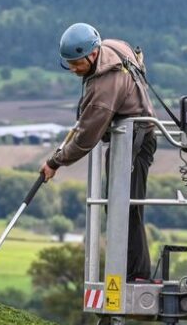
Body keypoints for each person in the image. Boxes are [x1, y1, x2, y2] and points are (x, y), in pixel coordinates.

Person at [40, 22, 157, 281]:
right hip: (128, 138)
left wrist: (55, 162)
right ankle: (131, 270)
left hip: (134, 143)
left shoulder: (106, 85)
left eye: (76, 63)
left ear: (92, 55)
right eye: (68, 63)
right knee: (119, 206)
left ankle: (136, 274)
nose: (73, 69)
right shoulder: (114, 47)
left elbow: (85, 138)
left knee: (125, 207)